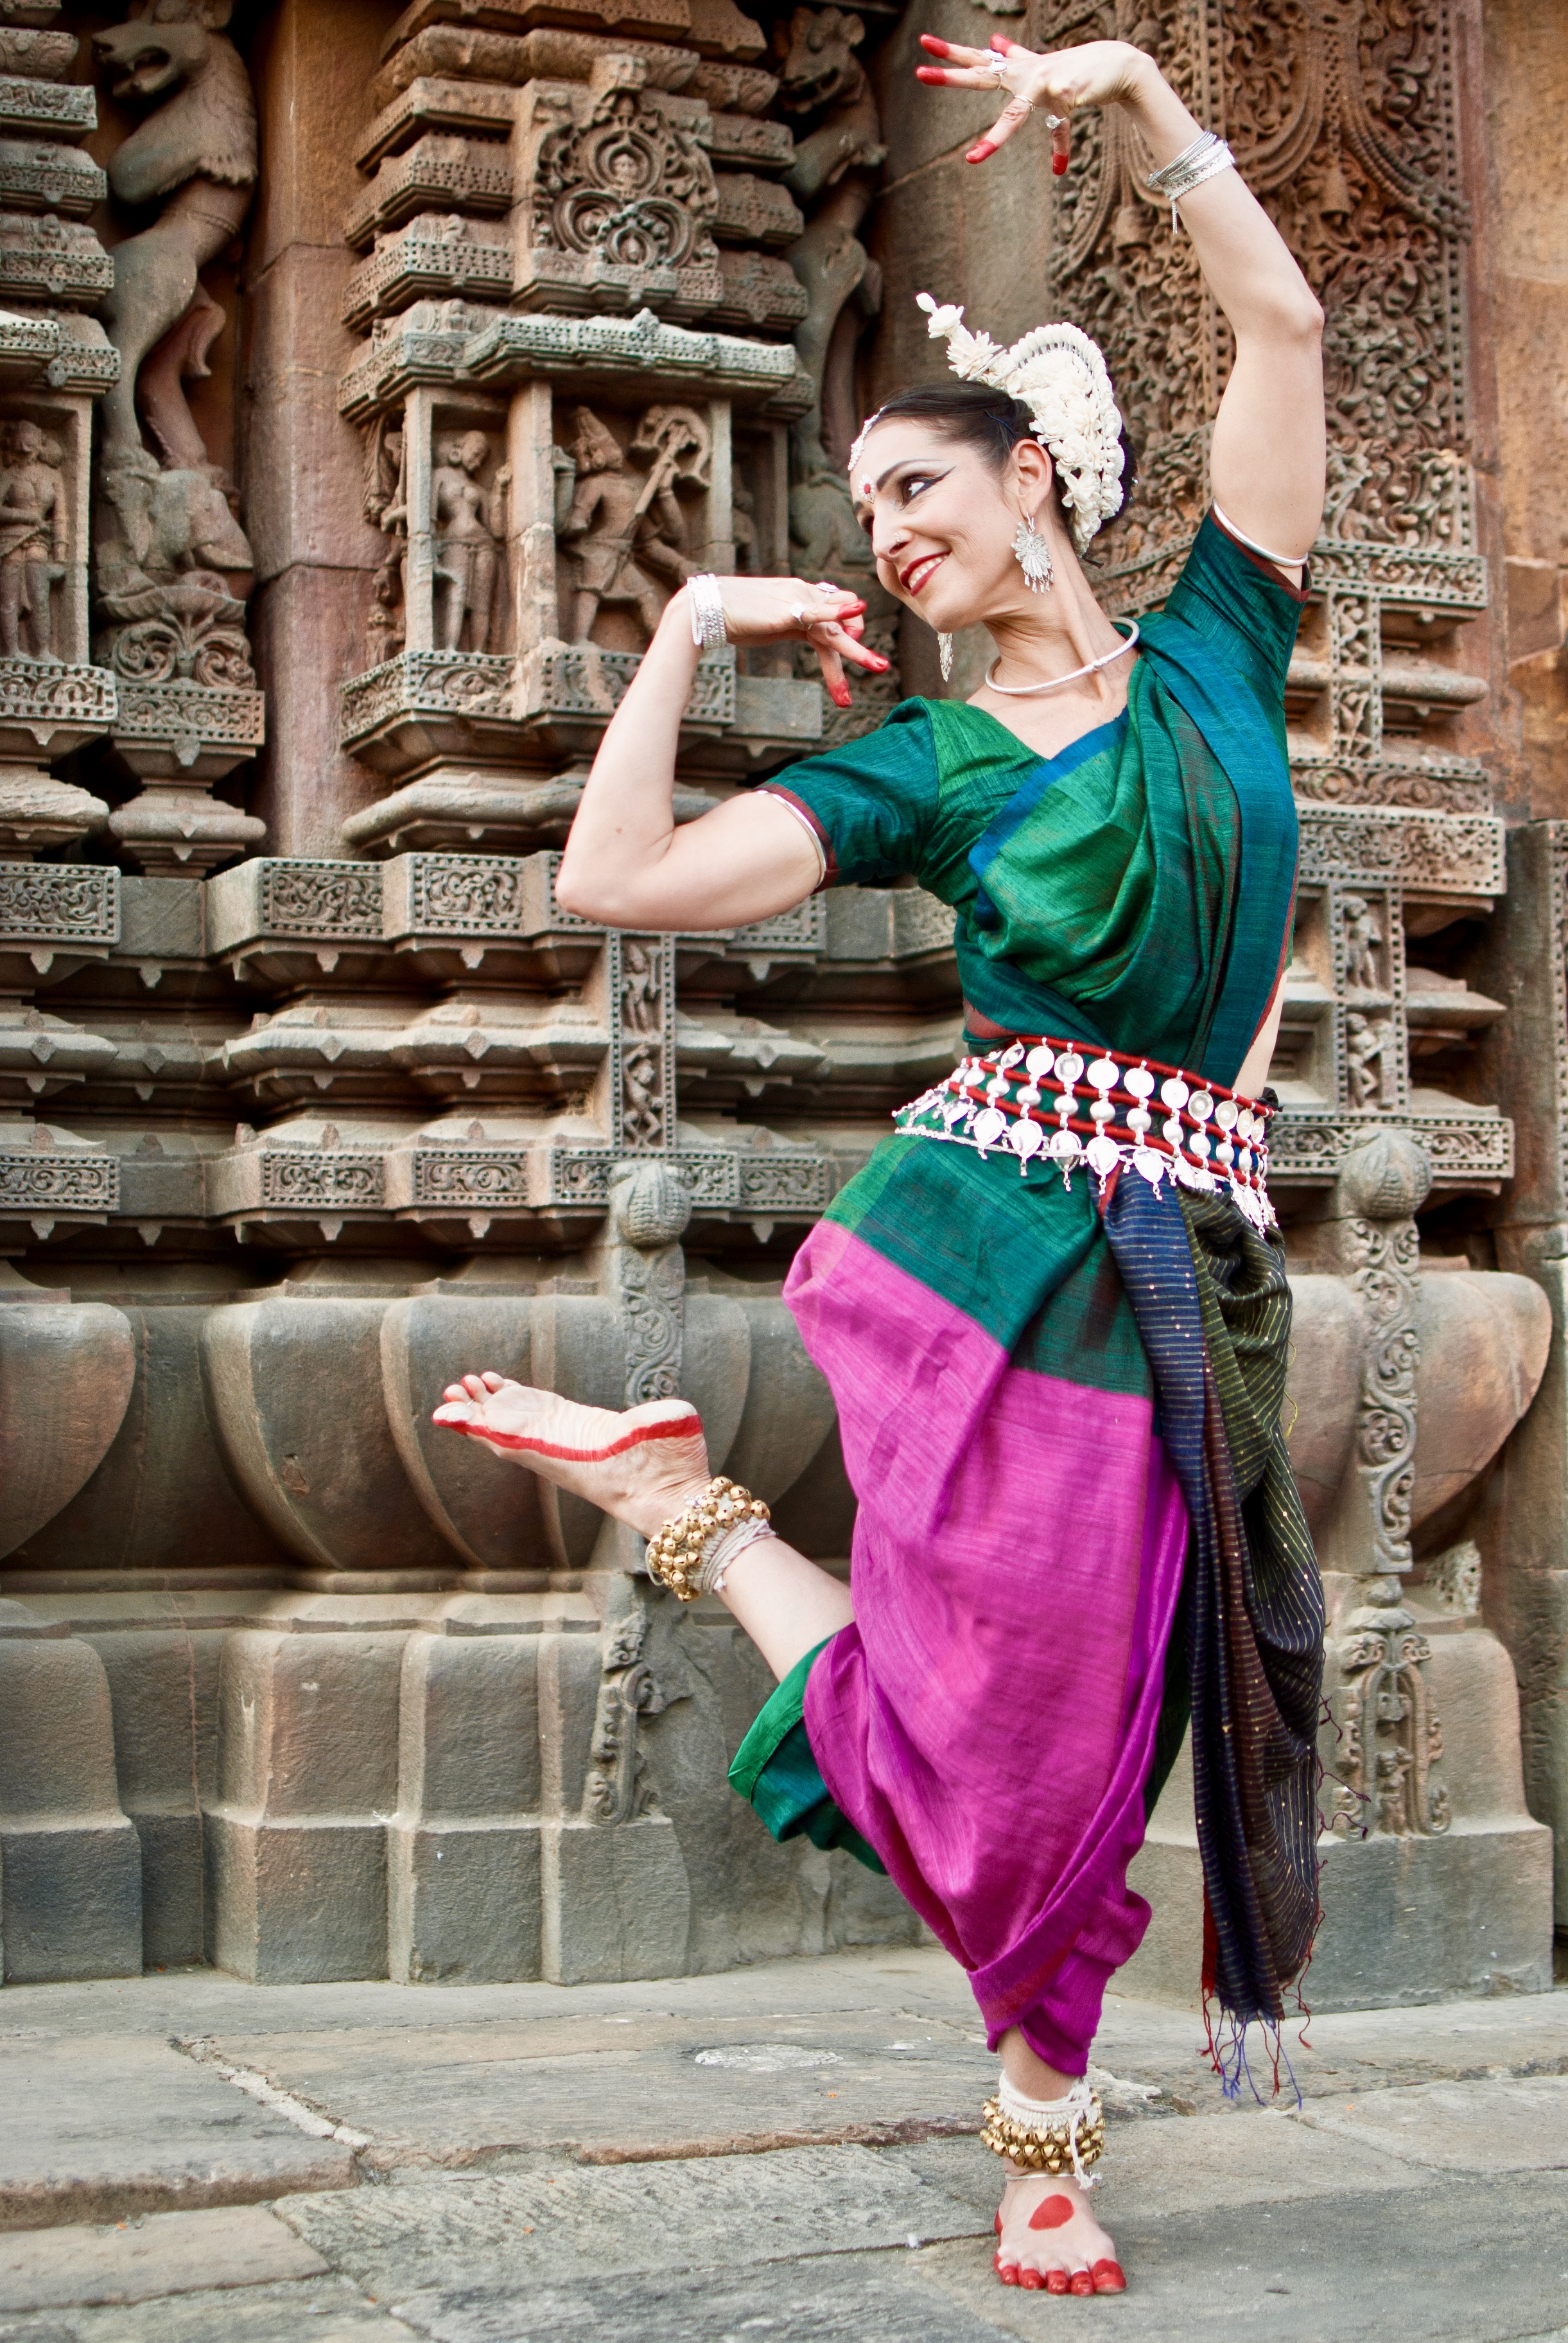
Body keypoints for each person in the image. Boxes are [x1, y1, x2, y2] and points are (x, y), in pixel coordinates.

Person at [434, 26, 1327, 2301]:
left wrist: (1136, 103)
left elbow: (1281, 325)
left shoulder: (1226, 647)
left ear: (1032, 475)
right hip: (986, 1249)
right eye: (858, 525)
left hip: (1190, 1260)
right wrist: (677, 634)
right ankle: (1044, 2143)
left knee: (1096, 1720)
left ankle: (679, 1505)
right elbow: (612, 884)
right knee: (1009, 1744)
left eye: (912, 493)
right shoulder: (923, 762)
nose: (888, 539)